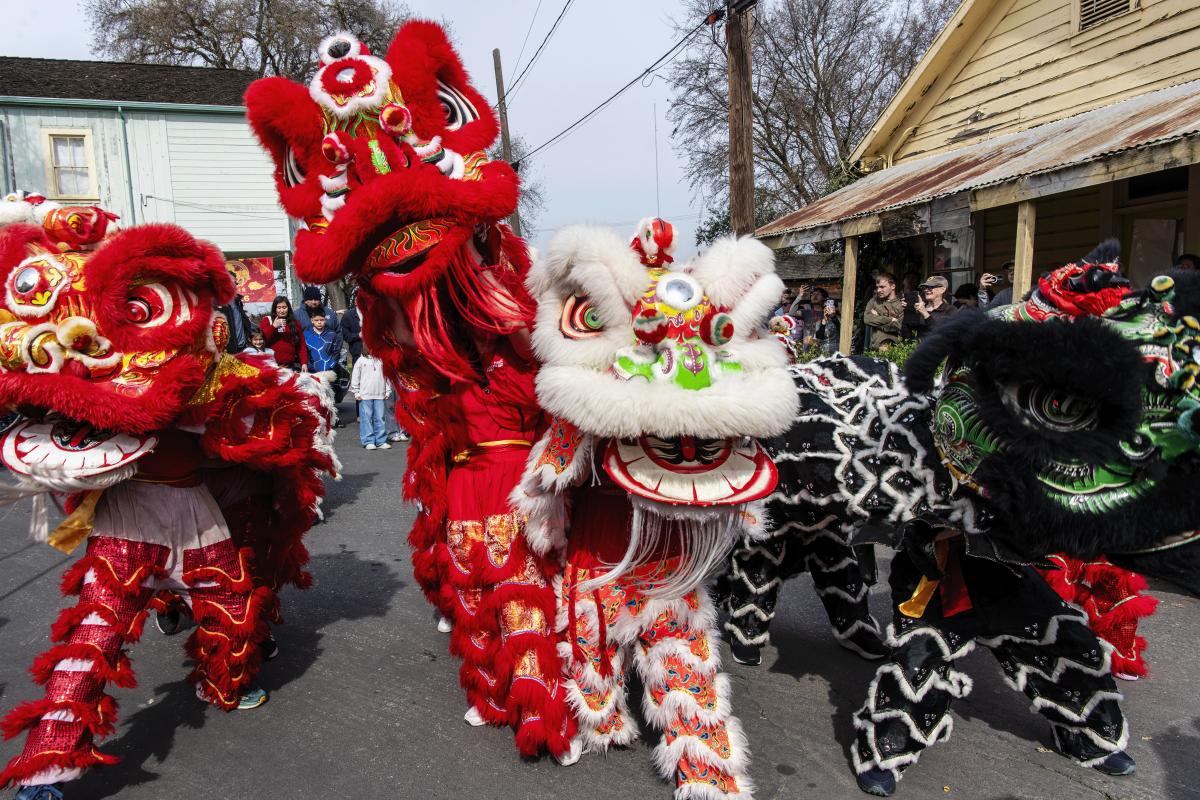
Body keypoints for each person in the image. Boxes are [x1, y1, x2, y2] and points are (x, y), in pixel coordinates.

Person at [351, 346, 392, 451]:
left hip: (379, 395)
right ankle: (368, 441)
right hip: (365, 395)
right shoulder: (361, 361)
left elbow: (387, 376)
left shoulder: (382, 360)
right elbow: (355, 377)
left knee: (380, 418)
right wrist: (356, 392)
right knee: (366, 418)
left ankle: (380, 441)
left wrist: (387, 391)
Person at [260, 296, 308, 372]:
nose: (282, 310)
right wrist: (273, 327)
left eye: (284, 307)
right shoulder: (267, 320)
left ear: (288, 308)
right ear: (275, 308)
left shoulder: (295, 324)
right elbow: (261, 340)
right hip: (271, 364)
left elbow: (301, 344)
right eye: (279, 308)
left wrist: (304, 363)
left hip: (289, 365)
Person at [863, 272, 903, 351]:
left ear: (893, 286)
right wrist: (890, 320)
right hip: (875, 350)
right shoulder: (874, 301)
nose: (879, 290)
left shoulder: (902, 303)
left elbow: (900, 327)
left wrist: (877, 319)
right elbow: (867, 319)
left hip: (895, 351)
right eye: (877, 287)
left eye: (882, 287)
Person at [303, 308, 342, 386]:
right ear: (312, 320)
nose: (319, 322)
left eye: (321, 320)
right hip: (311, 372)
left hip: (328, 372)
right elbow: (303, 351)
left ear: (325, 320)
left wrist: (331, 364)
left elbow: (337, 351)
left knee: (329, 392)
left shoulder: (332, 335)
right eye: (316, 320)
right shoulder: (306, 335)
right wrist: (309, 365)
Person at [216, 289, 252, 354]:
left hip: (242, 346)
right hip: (226, 350)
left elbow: (241, 322)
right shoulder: (214, 301)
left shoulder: (237, 300)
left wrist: (246, 339)